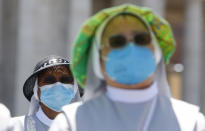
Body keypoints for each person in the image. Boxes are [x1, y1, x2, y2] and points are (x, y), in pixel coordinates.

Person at [50, 4, 205, 131]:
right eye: (117, 42)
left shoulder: (192, 122)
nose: (131, 47)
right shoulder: (69, 123)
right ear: (98, 62)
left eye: (141, 39)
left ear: (156, 51)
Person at [7, 55, 81, 131]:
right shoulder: (15, 126)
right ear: (37, 91)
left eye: (65, 80)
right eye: (49, 80)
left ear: (74, 89)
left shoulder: (86, 127)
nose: (58, 85)